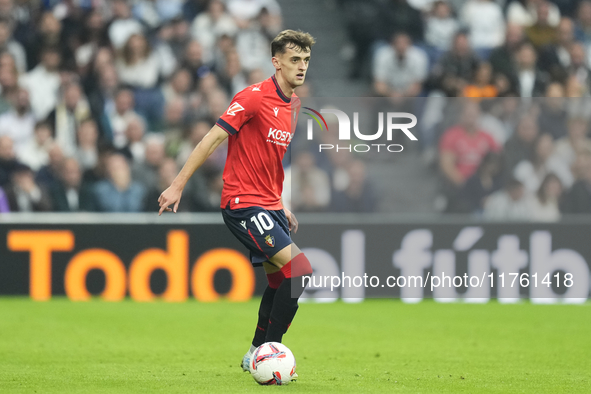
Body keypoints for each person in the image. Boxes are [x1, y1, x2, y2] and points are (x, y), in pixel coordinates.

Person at [158, 30, 315, 378]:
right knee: (300, 270)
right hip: (242, 204)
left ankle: (254, 353)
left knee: (279, 282)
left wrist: (279, 204)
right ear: (276, 63)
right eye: (294, 60)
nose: (301, 67)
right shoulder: (253, 97)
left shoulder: (295, 105)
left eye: (305, 60)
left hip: (268, 204)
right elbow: (212, 138)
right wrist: (177, 184)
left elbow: (270, 160)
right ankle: (270, 352)